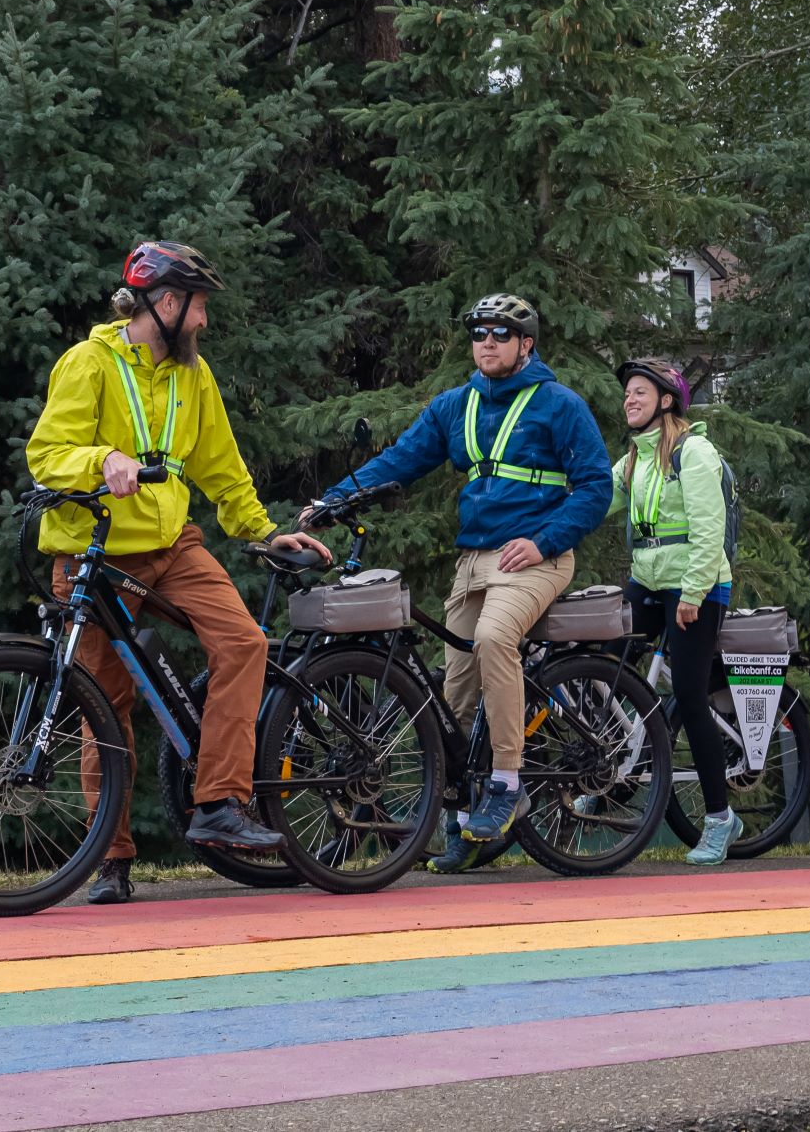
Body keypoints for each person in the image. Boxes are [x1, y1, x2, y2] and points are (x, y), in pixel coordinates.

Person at [26, 240, 332, 906]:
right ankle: (111, 859)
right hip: (95, 554)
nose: (204, 321)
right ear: (165, 304)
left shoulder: (194, 376)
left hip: (173, 548)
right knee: (103, 708)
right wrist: (102, 459)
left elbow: (221, 465)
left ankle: (220, 802)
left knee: (244, 642)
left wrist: (262, 529)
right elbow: (47, 454)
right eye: (198, 307)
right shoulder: (89, 364)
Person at [309, 294, 612, 872]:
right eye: (479, 334)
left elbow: (596, 487)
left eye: (501, 333)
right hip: (473, 562)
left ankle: (507, 782)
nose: (488, 343)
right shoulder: (456, 405)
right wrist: (332, 500)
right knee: (455, 695)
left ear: (527, 344)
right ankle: (467, 821)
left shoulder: (559, 404)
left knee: (496, 640)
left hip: (535, 557)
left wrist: (545, 540)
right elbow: (400, 459)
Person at [605, 357, 740, 864]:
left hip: (697, 587)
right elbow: (596, 499)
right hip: (648, 580)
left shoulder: (694, 452)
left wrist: (692, 593)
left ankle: (720, 819)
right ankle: (611, 775)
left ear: (666, 400)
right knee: (606, 655)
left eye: (640, 393)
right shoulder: (635, 460)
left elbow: (708, 533)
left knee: (686, 691)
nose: (630, 401)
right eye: (626, 395)